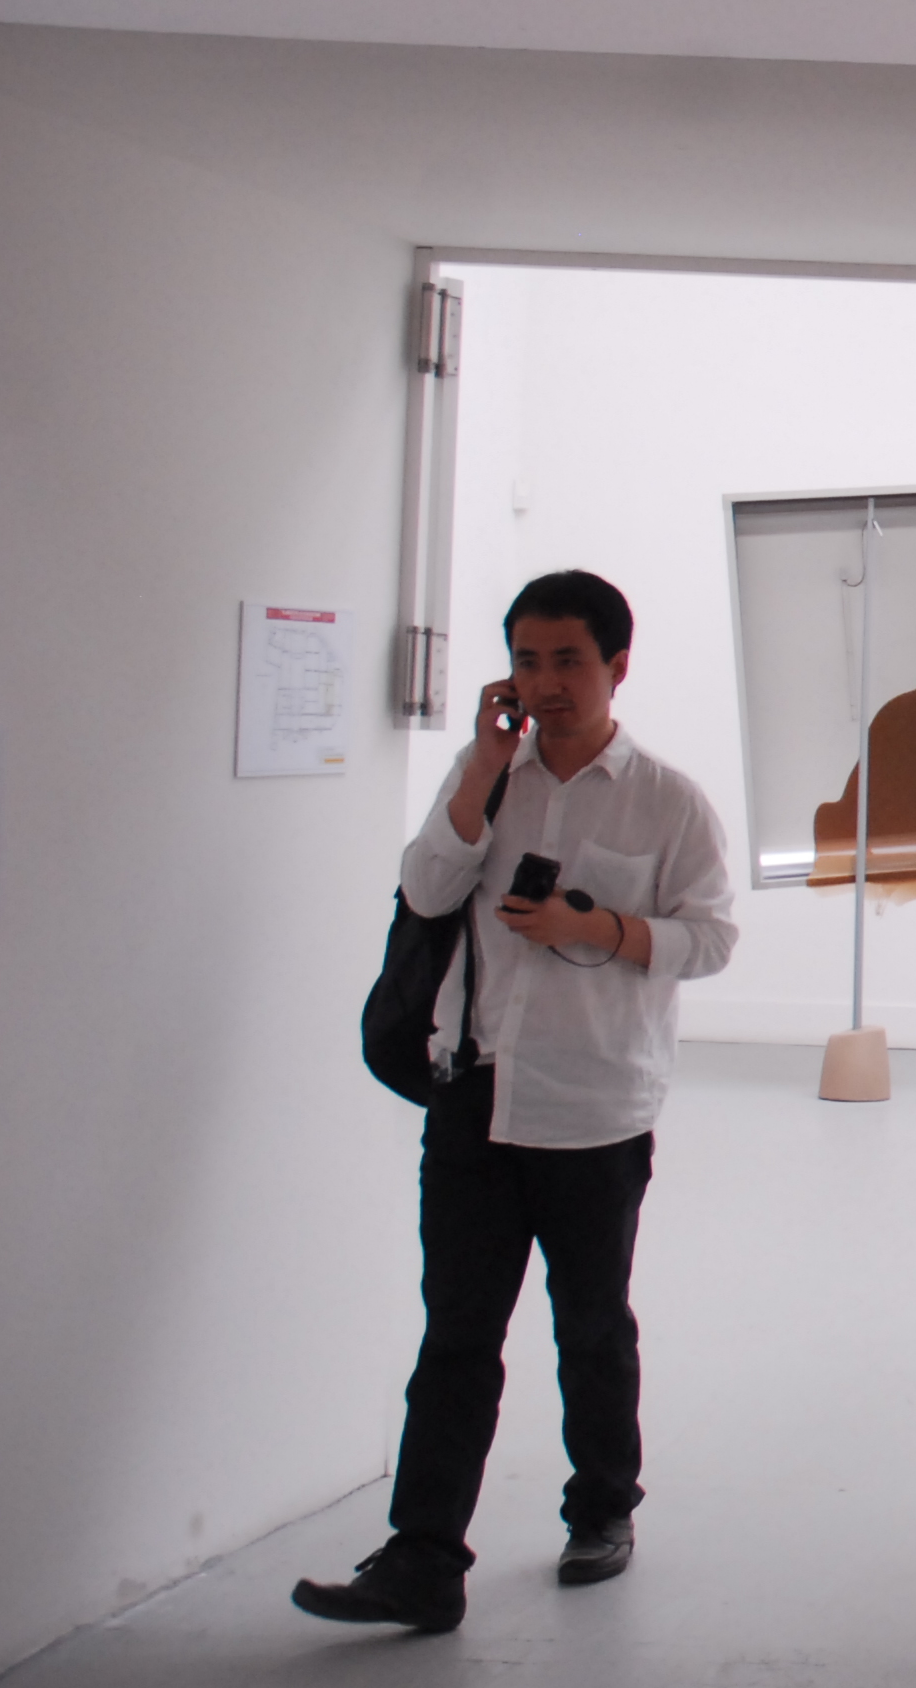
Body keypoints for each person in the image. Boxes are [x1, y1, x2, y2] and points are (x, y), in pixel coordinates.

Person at [295, 570, 737, 1633]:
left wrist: (600, 930)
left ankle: (602, 1510)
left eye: (567, 661)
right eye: (527, 661)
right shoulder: (489, 775)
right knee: (456, 1335)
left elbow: (712, 938)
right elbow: (426, 890)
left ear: (616, 667)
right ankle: (423, 1558)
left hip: (594, 1106)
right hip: (474, 1098)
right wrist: (480, 771)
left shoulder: (667, 799)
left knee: (590, 1326)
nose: (545, 683)